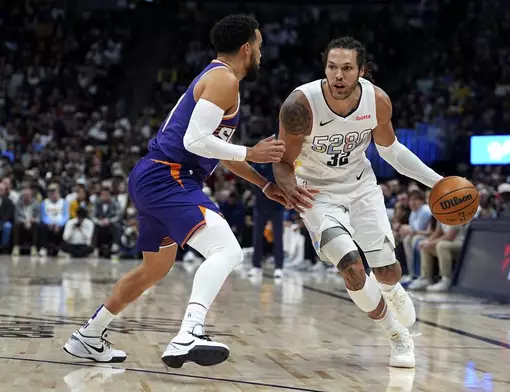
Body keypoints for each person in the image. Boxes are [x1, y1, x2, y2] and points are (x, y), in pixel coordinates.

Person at [63, 15, 288, 368]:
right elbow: (194, 140)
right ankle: (189, 333)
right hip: (168, 176)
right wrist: (251, 152)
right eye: (259, 46)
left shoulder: (219, 78)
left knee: (153, 270)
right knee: (226, 250)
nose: (261, 53)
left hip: (153, 177)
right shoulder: (223, 80)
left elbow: (215, 150)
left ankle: (89, 335)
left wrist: (263, 184)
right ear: (247, 49)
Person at [273, 37, 444, 368]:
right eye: (332, 68)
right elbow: (283, 160)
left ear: (361, 71)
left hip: (360, 187)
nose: (338, 76)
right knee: (350, 265)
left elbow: (391, 150)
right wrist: (288, 185)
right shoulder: (300, 105)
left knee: (388, 271)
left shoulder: (377, 101)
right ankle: (397, 336)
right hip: (316, 193)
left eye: (347, 69)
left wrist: (436, 182)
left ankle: (392, 291)